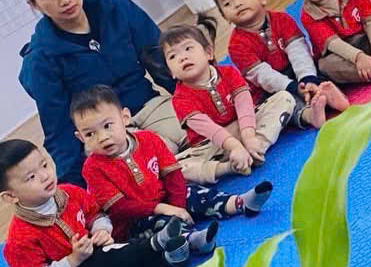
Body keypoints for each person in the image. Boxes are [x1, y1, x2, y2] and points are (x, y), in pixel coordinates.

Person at [16, 0, 215, 187]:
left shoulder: (115, 6)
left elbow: (162, 61)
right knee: (149, 166)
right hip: (105, 131)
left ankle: (185, 167)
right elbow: (58, 129)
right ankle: (188, 171)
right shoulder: (40, 59)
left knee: (207, 131)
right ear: (33, 4)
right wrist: (78, 190)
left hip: (150, 105)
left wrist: (205, 97)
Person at [0, 138, 184, 267]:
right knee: (110, 258)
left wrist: (101, 230)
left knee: (117, 254)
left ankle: (169, 255)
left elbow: (96, 214)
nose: (45, 175)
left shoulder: (69, 192)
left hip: (95, 253)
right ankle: (156, 245)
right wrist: (73, 260)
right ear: (10, 196)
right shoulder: (19, 238)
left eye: (44, 165)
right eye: (31, 177)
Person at [74, 85, 270, 257]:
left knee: (192, 191)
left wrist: (178, 206)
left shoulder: (149, 139)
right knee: (162, 225)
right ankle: (192, 240)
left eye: (107, 126)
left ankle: (238, 203)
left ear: (125, 118)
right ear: (80, 138)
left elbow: (173, 174)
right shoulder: (92, 168)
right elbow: (121, 207)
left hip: (166, 199)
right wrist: (166, 210)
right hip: (136, 220)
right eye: (90, 134)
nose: (102, 137)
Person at [215, 0, 348, 125]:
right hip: (269, 89)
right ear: (224, 17)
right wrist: (292, 87)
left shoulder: (282, 19)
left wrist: (307, 79)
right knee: (280, 105)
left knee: (323, 70)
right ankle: (309, 115)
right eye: (227, 4)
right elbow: (263, 76)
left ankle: (328, 95)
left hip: (298, 72)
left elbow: (299, 52)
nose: (237, 4)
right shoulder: (236, 45)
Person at [164, 20, 298, 173]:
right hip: (214, 146)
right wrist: (234, 146)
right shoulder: (180, 99)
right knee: (175, 167)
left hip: (246, 126)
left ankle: (256, 149)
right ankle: (230, 167)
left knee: (284, 98)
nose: (182, 58)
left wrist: (248, 136)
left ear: (208, 53)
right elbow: (209, 129)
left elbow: (245, 105)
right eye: (172, 56)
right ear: (171, 73)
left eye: (188, 48)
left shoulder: (229, 72)